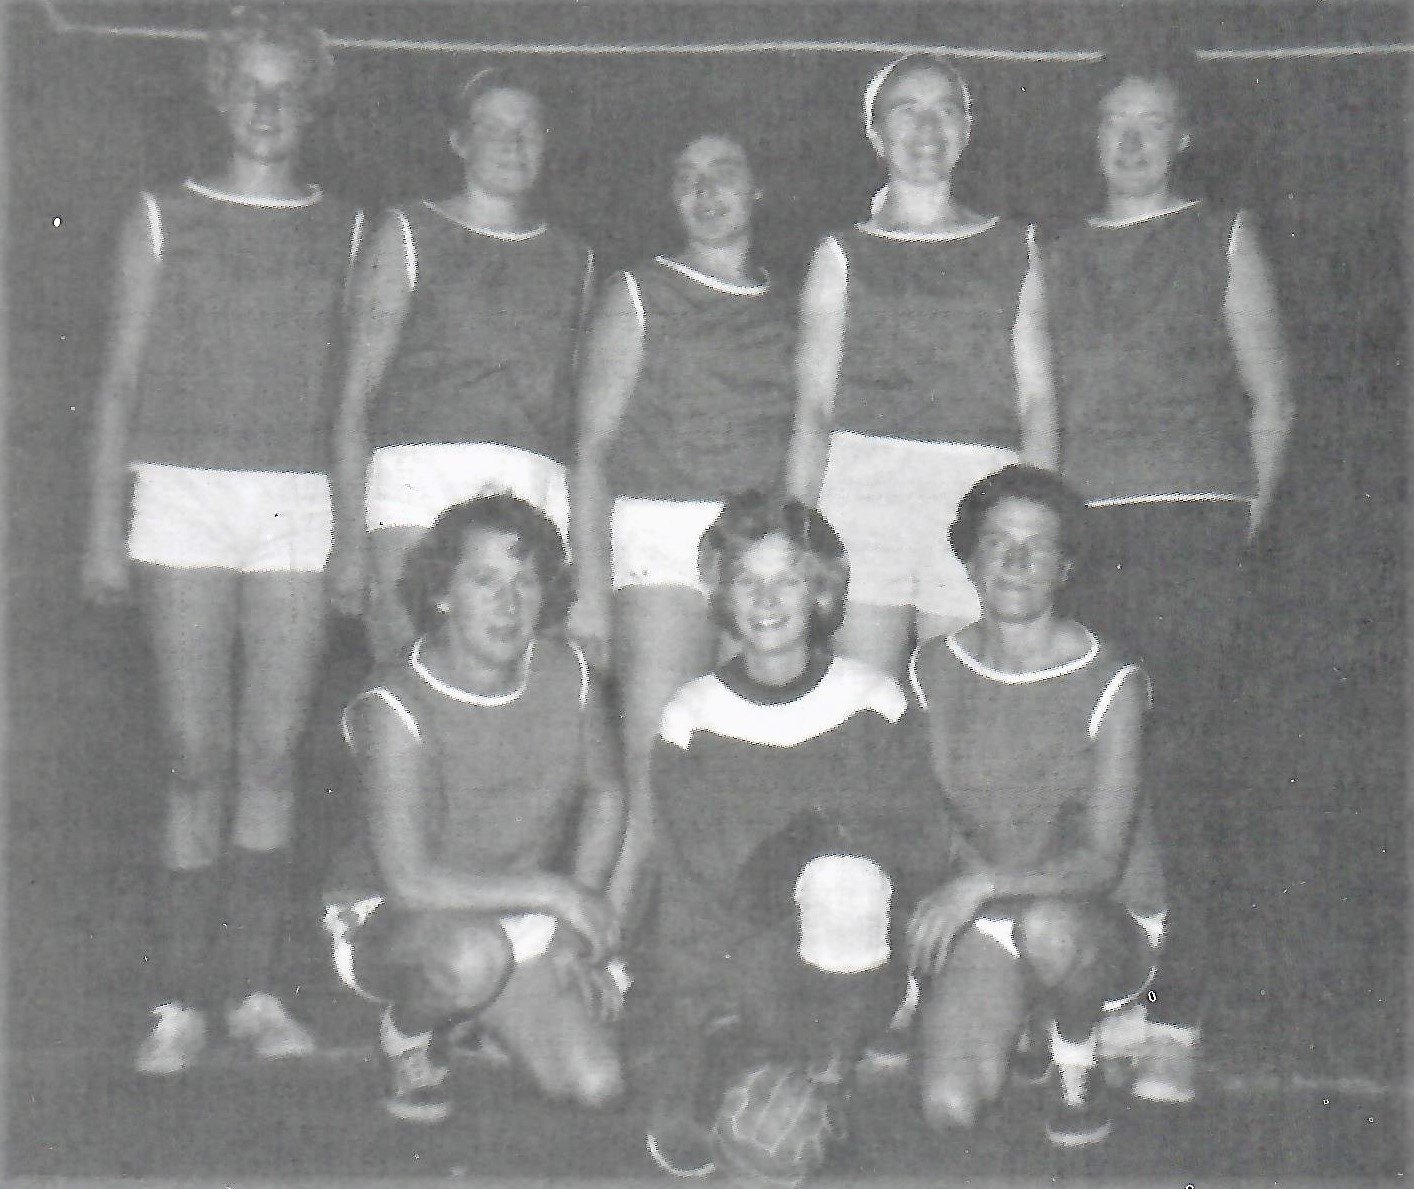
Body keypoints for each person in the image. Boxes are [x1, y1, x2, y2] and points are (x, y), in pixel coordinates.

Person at [82, 6, 358, 1075]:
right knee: (195, 756)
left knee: (272, 754)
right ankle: (177, 999)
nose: (266, 107)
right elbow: (116, 384)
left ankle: (252, 990)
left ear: (313, 103)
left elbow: (352, 398)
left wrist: (351, 534)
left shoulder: (347, 228)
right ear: (218, 94)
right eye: (249, 86)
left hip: (296, 500)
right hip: (182, 498)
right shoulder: (162, 216)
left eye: (287, 90)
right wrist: (103, 531)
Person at [1044, 51, 1294, 1102]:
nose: (1133, 141)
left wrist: (1235, 530)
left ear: (1184, 135)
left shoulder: (1221, 233)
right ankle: (1111, 991)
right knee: (1106, 779)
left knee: (1190, 774)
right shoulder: (1054, 252)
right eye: (1115, 121)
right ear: (1092, 133)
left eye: (1153, 122)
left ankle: (1180, 1018)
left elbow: (1271, 401)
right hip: (1086, 539)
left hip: (1194, 533)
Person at [627, 492, 939, 1180]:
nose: (766, 600)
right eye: (747, 580)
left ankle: (828, 1074)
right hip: (742, 961)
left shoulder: (873, 699)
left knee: (842, 876)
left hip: (858, 962)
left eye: (788, 579)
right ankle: (745, 1058)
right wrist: (697, 1019)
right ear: (722, 592)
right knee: (725, 1112)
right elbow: (694, 884)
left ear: (820, 590)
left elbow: (913, 846)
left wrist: (818, 850)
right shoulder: (692, 714)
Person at [327, 494, 627, 1123]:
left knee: (596, 1083)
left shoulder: (567, 672)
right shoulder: (394, 704)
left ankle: (478, 1012)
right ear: (442, 593)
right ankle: (409, 1032)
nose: (508, 603)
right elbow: (409, 882)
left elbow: (606, 794)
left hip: (514, 912)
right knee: (472, 960)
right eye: (484, 581)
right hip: (399, 917)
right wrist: (558, 893)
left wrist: (570, 931)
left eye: (526, 582)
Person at [572, 128, 795, 930]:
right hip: (661, 539)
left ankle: (719, 967)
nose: (705, 192)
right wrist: (590, 592)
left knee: (741, 770)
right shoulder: (639, 291)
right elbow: (590, 447)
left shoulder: (790, 304)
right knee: (653, 775)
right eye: (686, 177)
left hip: (757, 554)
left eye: (724, 172)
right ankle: (595, 960)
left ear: (758, 187)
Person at [907, 465, 1166, 1148]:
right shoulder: (932, 667)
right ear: (970, 559)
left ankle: (1076, 1054)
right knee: (948, 1105)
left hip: (1095, 914)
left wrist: (979, 886)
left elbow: (1100, 864)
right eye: (998, 543)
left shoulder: (1112, 679)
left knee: (1048, 927)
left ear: (1065, 567)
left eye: (1038, 547)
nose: (1016, 562)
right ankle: (1023, 1012)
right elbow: (932, 822)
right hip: (992, 909)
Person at [785, 54, 1057, 678]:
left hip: (979, 492)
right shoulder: (841, 252)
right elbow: (814, 408)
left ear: (967, 127)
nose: (927, 128)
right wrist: (797, 529)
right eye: (906, 111)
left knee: (965, 692)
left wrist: (1039, 519)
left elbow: (1038, 399)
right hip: (863, 491)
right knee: (861, 694)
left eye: (945, 110)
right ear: (876, 132)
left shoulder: (1015, 245)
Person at [330, 65, 593, 663]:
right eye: (492, 128)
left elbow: (575, 423)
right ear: (459, 140)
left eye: (527, 129)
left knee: (517, 695)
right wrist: (348, 539)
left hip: (531, 489)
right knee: (415, 682)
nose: (512, 143)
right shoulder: (407, 232)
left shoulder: (574, 258)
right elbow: (353, 402)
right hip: (417, 487)